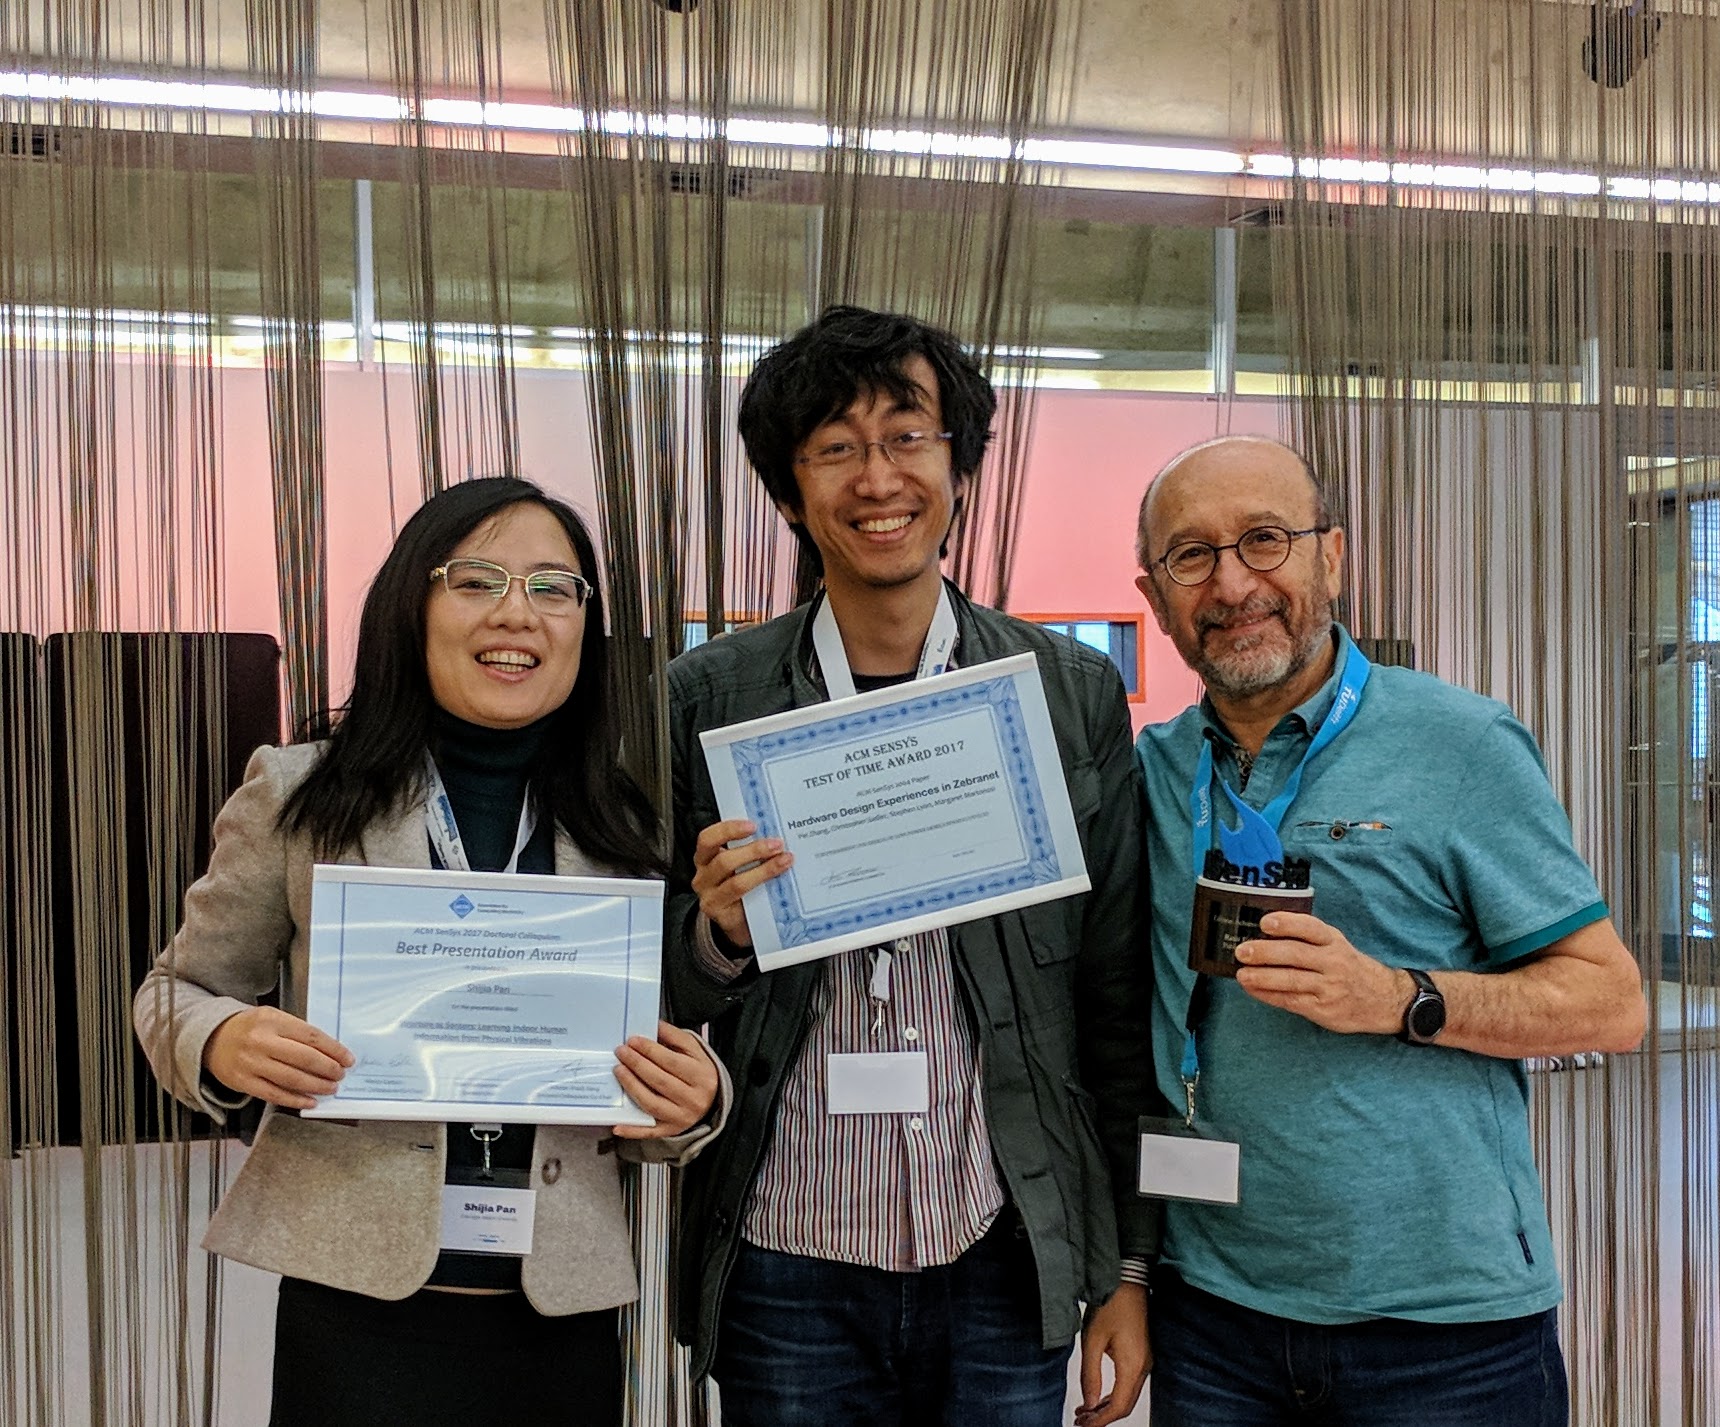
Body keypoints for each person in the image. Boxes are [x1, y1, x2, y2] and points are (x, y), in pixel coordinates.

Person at [134, 477, 726, 1427]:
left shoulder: (618, 821)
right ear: (411, 605)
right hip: (359, 1300)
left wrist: (693, 1101)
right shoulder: (302, 794)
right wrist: (222, 1039)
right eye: (478, 579)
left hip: (558, 1304)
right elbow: (177, 988)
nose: (516, 613)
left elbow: (647, 1058)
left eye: (553, 587)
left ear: (585, 625)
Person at [664, 305, 1158, 1427]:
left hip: (1001, 1231)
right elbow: (656, 988)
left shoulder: (1065, 690)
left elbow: (1114, 994)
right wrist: (718, 934)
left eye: (907, 436)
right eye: (834, 447)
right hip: (785, 1243)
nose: (875, 475)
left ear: (961, 470)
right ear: (790, 494)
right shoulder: (710, 700)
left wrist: (1126, 1266)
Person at [1130, 434, 1646, 1426]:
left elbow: (1611, 1001)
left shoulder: (1458, 739)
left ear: (1331, 555)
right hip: (1212, 1315)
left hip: (1441, 1333)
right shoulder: (1149, 773)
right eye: (1190, 555)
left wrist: (1400, 996)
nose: (1232, 581)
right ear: (1153, 596)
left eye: (1264, 539)